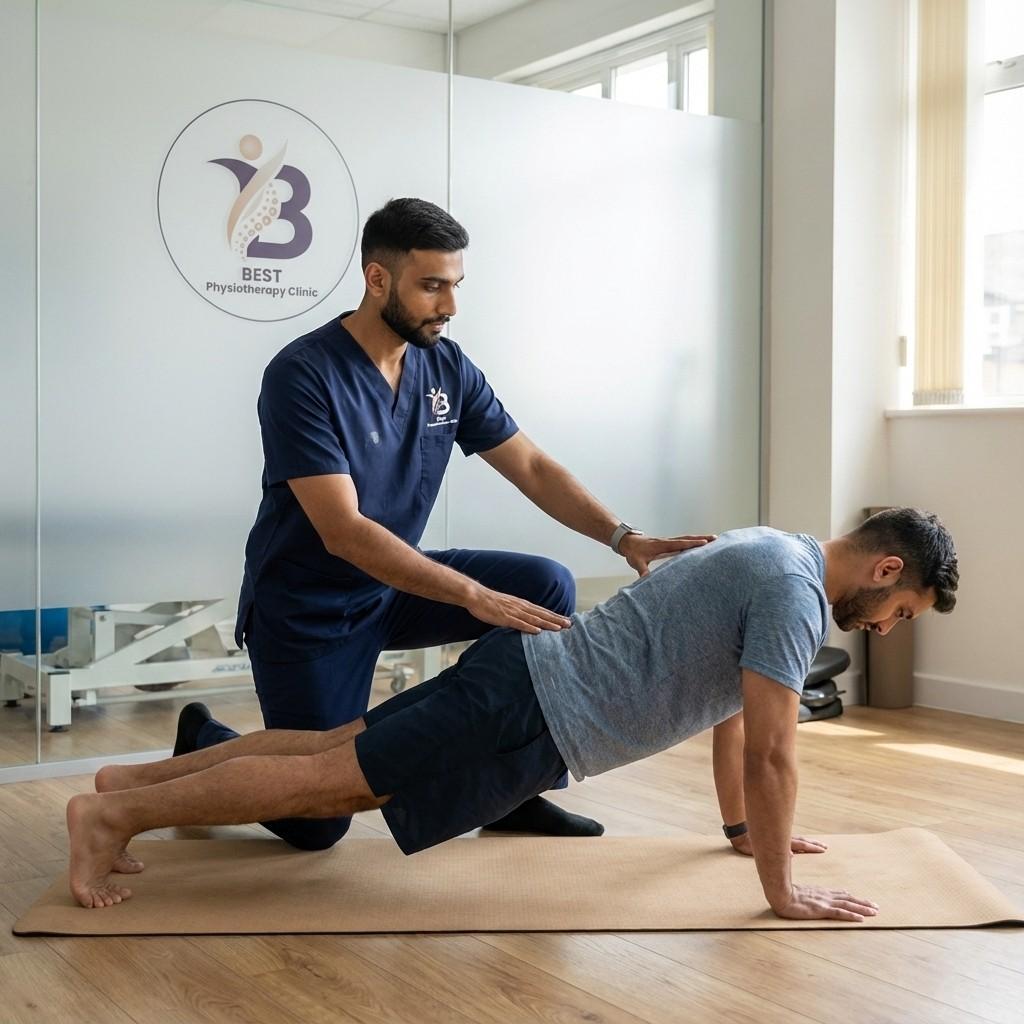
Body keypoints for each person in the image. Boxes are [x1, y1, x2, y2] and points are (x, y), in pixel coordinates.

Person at [71, 508, 957, 919]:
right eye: (902, 612)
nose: (885, 628)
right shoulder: (795, 596)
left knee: (331, 745)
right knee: (331, 785)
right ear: (887, 570)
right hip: (530, 712)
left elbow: (730, 717)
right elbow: (773, 753)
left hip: (522, 686)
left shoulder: (772, 549)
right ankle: (114, 815)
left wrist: (738, 830)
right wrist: (781, 891)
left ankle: (130, 781)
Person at [182, 197, 713, 849]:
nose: (449, 306)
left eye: (455, 285)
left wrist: (622, 536)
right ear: (378, 280)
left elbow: (534, 467)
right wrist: (471, 595)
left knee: (544, 587)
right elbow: (343, 531)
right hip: (308, 609)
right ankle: (203, 740)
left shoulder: (446, 367)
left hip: (391, 589)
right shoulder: (303, 374)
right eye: (431, 286)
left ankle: (509, 792)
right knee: (316, 824)